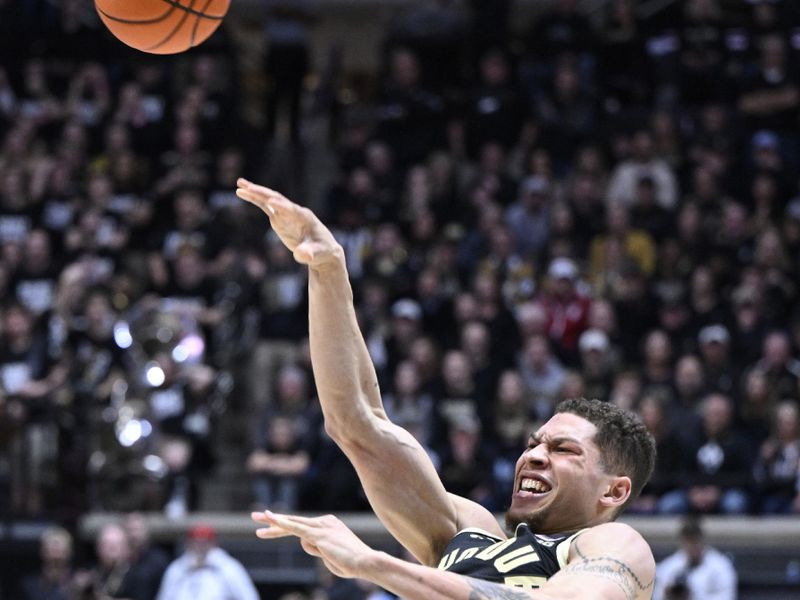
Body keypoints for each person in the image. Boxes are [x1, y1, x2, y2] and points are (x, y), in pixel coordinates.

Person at [237, 180, 657, 599]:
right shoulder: (467, 531)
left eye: (563, 449)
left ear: (613, 490)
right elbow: (358, 423)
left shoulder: (614, 546)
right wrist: (328, 270)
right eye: (534, 444)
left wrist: (371, 562)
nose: (533, 456)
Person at [155, 524, 259, 600]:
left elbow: (249, 597)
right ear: (189, 543)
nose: (200, 546)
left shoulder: (229, 567)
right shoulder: (177, 568)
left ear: (213, 543)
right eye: (196, 542)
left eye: (205, 542)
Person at [652, 518, 737, 600]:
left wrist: (693, 596)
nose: (691, 546)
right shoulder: (669, 566)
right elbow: (656, 596)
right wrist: (666, 596)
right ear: (682, 541)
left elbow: (728, 597)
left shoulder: (720, 565)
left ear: (702, 539)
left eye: (695, 540)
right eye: (688, 541)